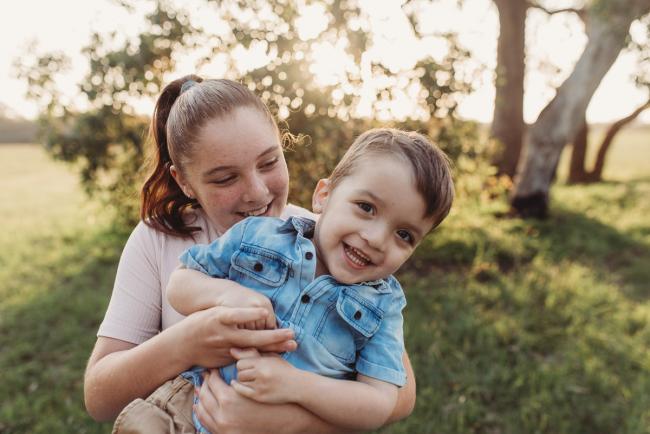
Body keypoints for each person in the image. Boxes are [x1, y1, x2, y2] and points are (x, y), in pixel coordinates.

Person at [83, 75, 420, 434]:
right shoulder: (158, 240)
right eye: (226, 179)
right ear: (184, 182)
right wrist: (188, 342)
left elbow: (400, 396)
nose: (257, 192)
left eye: (269, 162)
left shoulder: (322, 239)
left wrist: (288, 422)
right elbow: (100, 397)